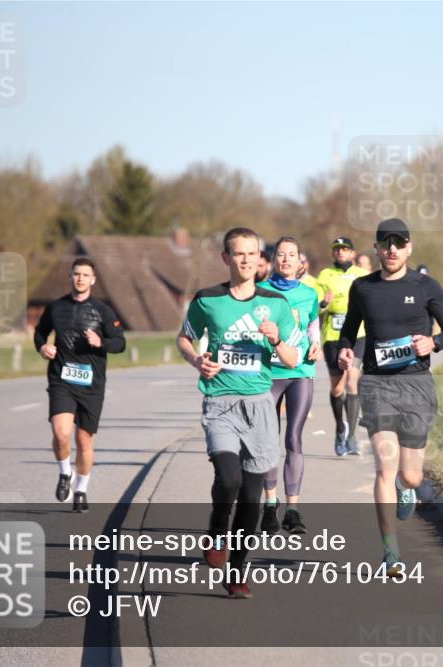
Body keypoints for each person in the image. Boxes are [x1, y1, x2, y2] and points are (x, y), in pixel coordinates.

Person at [176, 227, 298, 599]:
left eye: (252, 253)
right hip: (220, 403)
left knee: (250, 497)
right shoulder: (208, 300)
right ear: (226, 258)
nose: (246, 260)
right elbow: (183, 338)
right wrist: (197, 359)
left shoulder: (276, 303)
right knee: (227, 479)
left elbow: (293, 359)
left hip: (261, 407)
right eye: (238, 254)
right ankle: (216, 532)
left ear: (260, 258)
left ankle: (237, 571)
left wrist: (276, 339)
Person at [338, 218, 443, 575]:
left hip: (417, 385)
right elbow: (348, 332)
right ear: (375, 248)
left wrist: (433, 342)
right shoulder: (362, 288)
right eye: (384, 243)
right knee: (384, 468)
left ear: (409, 247)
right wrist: (345, 352)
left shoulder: (426, 286)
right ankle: (390, 552)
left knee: (412, 475)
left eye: (398, 242)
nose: (391, 249)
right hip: (377, 386)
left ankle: (408, 489)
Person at [34, 257, 126, 513]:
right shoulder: (56, 307)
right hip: (61, 378)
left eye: (86, 275)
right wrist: (43, 346)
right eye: (76, 274)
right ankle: (65, 473)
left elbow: (120, 343)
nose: (81, 278)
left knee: (84, 441)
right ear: (71, 277)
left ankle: (81, 490)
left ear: (93, 280)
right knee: (61, 433)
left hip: (91, 384)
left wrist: (101, 343)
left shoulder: (103, 311)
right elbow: (40, 332)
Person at [257, 237, 321, 536]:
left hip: (300, 371)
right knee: (269, 438)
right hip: (269, 373)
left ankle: (292, 510)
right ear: (273, 261)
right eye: (280, 255)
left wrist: (317, 344)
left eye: (291, 255)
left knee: (294, 437)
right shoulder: (261, 292)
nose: (285, 260)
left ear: (300, 262)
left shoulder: (309, 293)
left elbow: (312, 325)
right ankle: (270, 504)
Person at [316, 236, 368, 456]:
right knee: (337, 388)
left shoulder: (363, 275)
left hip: (358, 335)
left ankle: (352, 436)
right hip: (333, 336)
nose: (340, 252)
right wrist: (325, 303)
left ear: (352, 253)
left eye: (345, 249)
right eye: (336, 249)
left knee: (352, 382)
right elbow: (317, 308)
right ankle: (340, 428)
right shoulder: (325, 275)